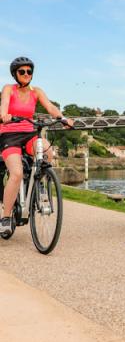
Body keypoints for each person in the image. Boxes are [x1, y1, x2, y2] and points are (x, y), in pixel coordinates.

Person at [0, 57, 74, 235]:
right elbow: (3, 105)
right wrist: (4, 115)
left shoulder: (37, 91)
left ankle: (40, 183)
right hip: (9, 134)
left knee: (48, 153)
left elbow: (50, 107)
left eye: (29, 71)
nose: (26, 75)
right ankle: (6, 216)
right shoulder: (9, 89)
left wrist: (62, 118)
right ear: (15, 74)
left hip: (30, 133)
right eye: (22, 72)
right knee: (16, 173)